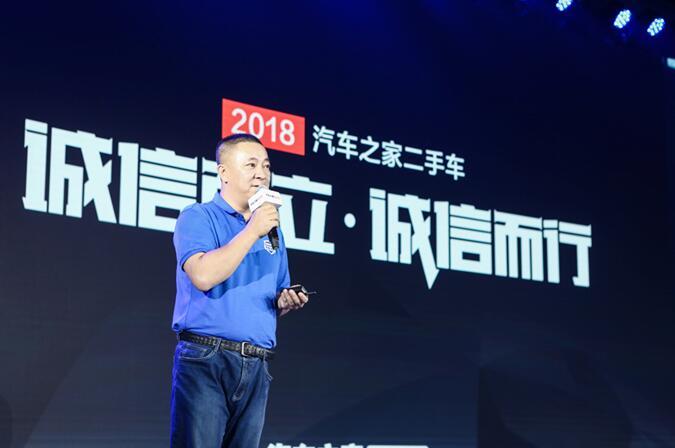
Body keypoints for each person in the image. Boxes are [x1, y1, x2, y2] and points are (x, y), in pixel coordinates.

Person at [169, 133, 309, 447]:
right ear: (224, 172)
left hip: (257, 362)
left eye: (266, 166)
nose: (262, 173)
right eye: (251, 165)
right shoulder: (198, 216)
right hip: (207, 358)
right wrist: (252, 230)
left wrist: (286, 300)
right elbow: (203, 275)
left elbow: (276, 293)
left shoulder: (272, 232)